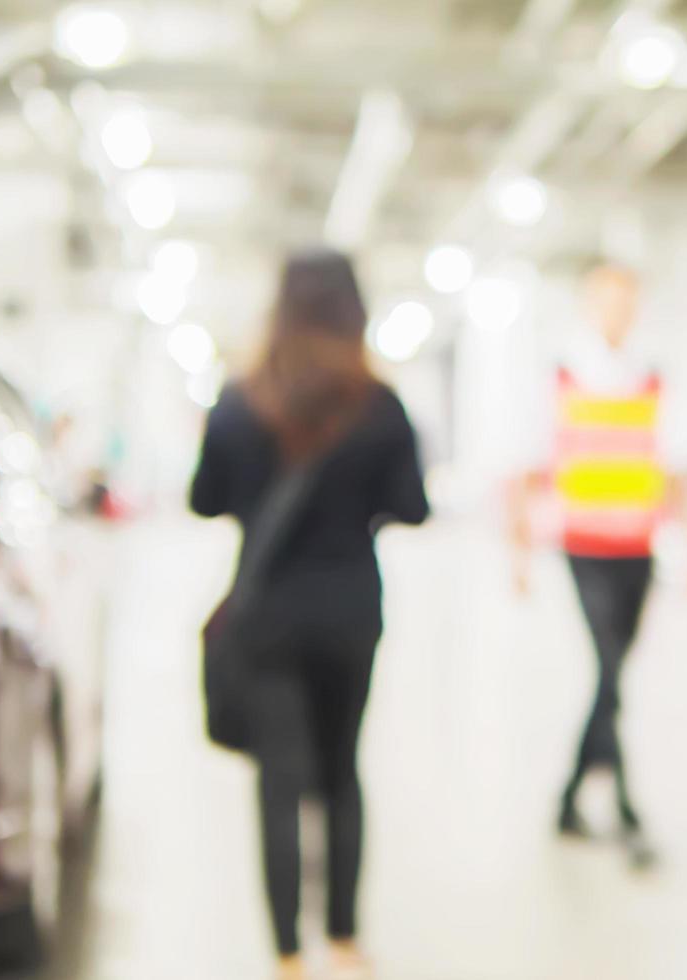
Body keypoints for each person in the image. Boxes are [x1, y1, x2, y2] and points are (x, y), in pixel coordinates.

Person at [190, 248, 430, 980]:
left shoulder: (241, 401)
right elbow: (414, 508)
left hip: (268, 618)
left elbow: (204, 498)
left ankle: (289, 955)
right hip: (352, 610)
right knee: (342, 773)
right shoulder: (380, 406)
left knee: (278, 783)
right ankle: (346, 941)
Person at [506, 259, 687, 868]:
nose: (618, 312)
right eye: (607, 300)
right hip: (584, 546)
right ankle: (626, 809)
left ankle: (568, 798)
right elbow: (529, 467)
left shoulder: (653, 379)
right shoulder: (562, 376)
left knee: (610, 677)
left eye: (628, 301)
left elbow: (674, 471)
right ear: (590, 305)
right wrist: (517, 550)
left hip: (638, 548)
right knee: (610, 671)